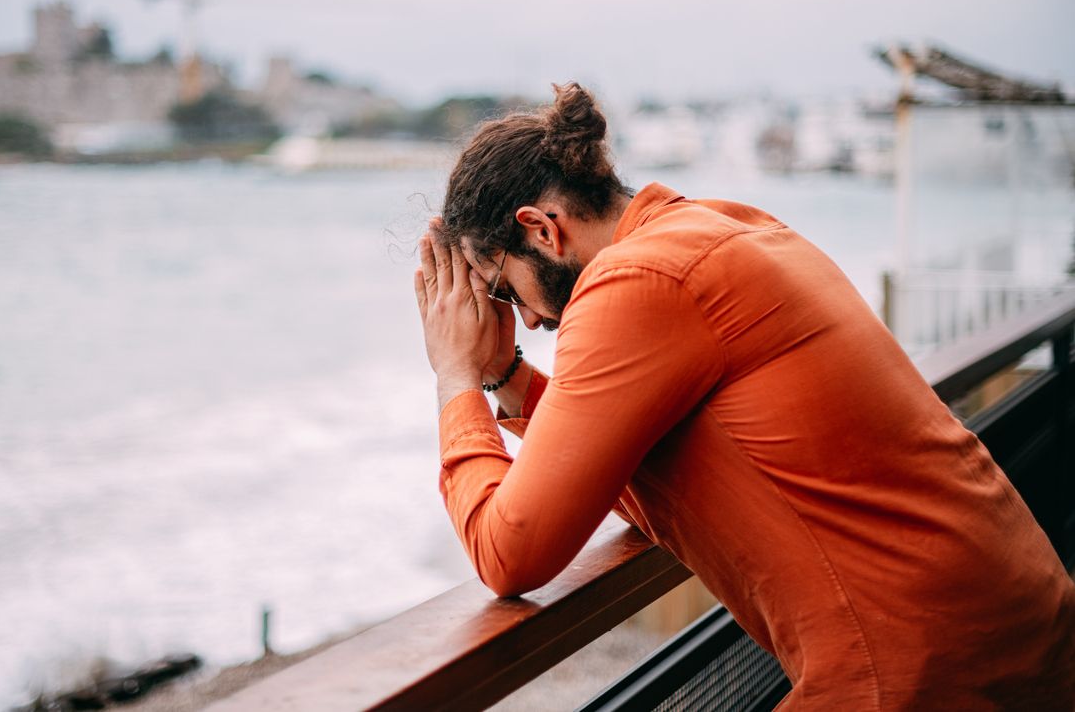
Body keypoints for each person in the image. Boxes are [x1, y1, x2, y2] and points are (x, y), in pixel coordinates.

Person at [412, 82, 1075, 709]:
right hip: (1015, 619)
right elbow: (637, 469)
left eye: (501, 289)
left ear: (541, 230)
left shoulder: (634, 282)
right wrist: (506, 376)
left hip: (920, 668)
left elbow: (509, 555)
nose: (523, 320)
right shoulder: (724, 227)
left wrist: (456, 377)